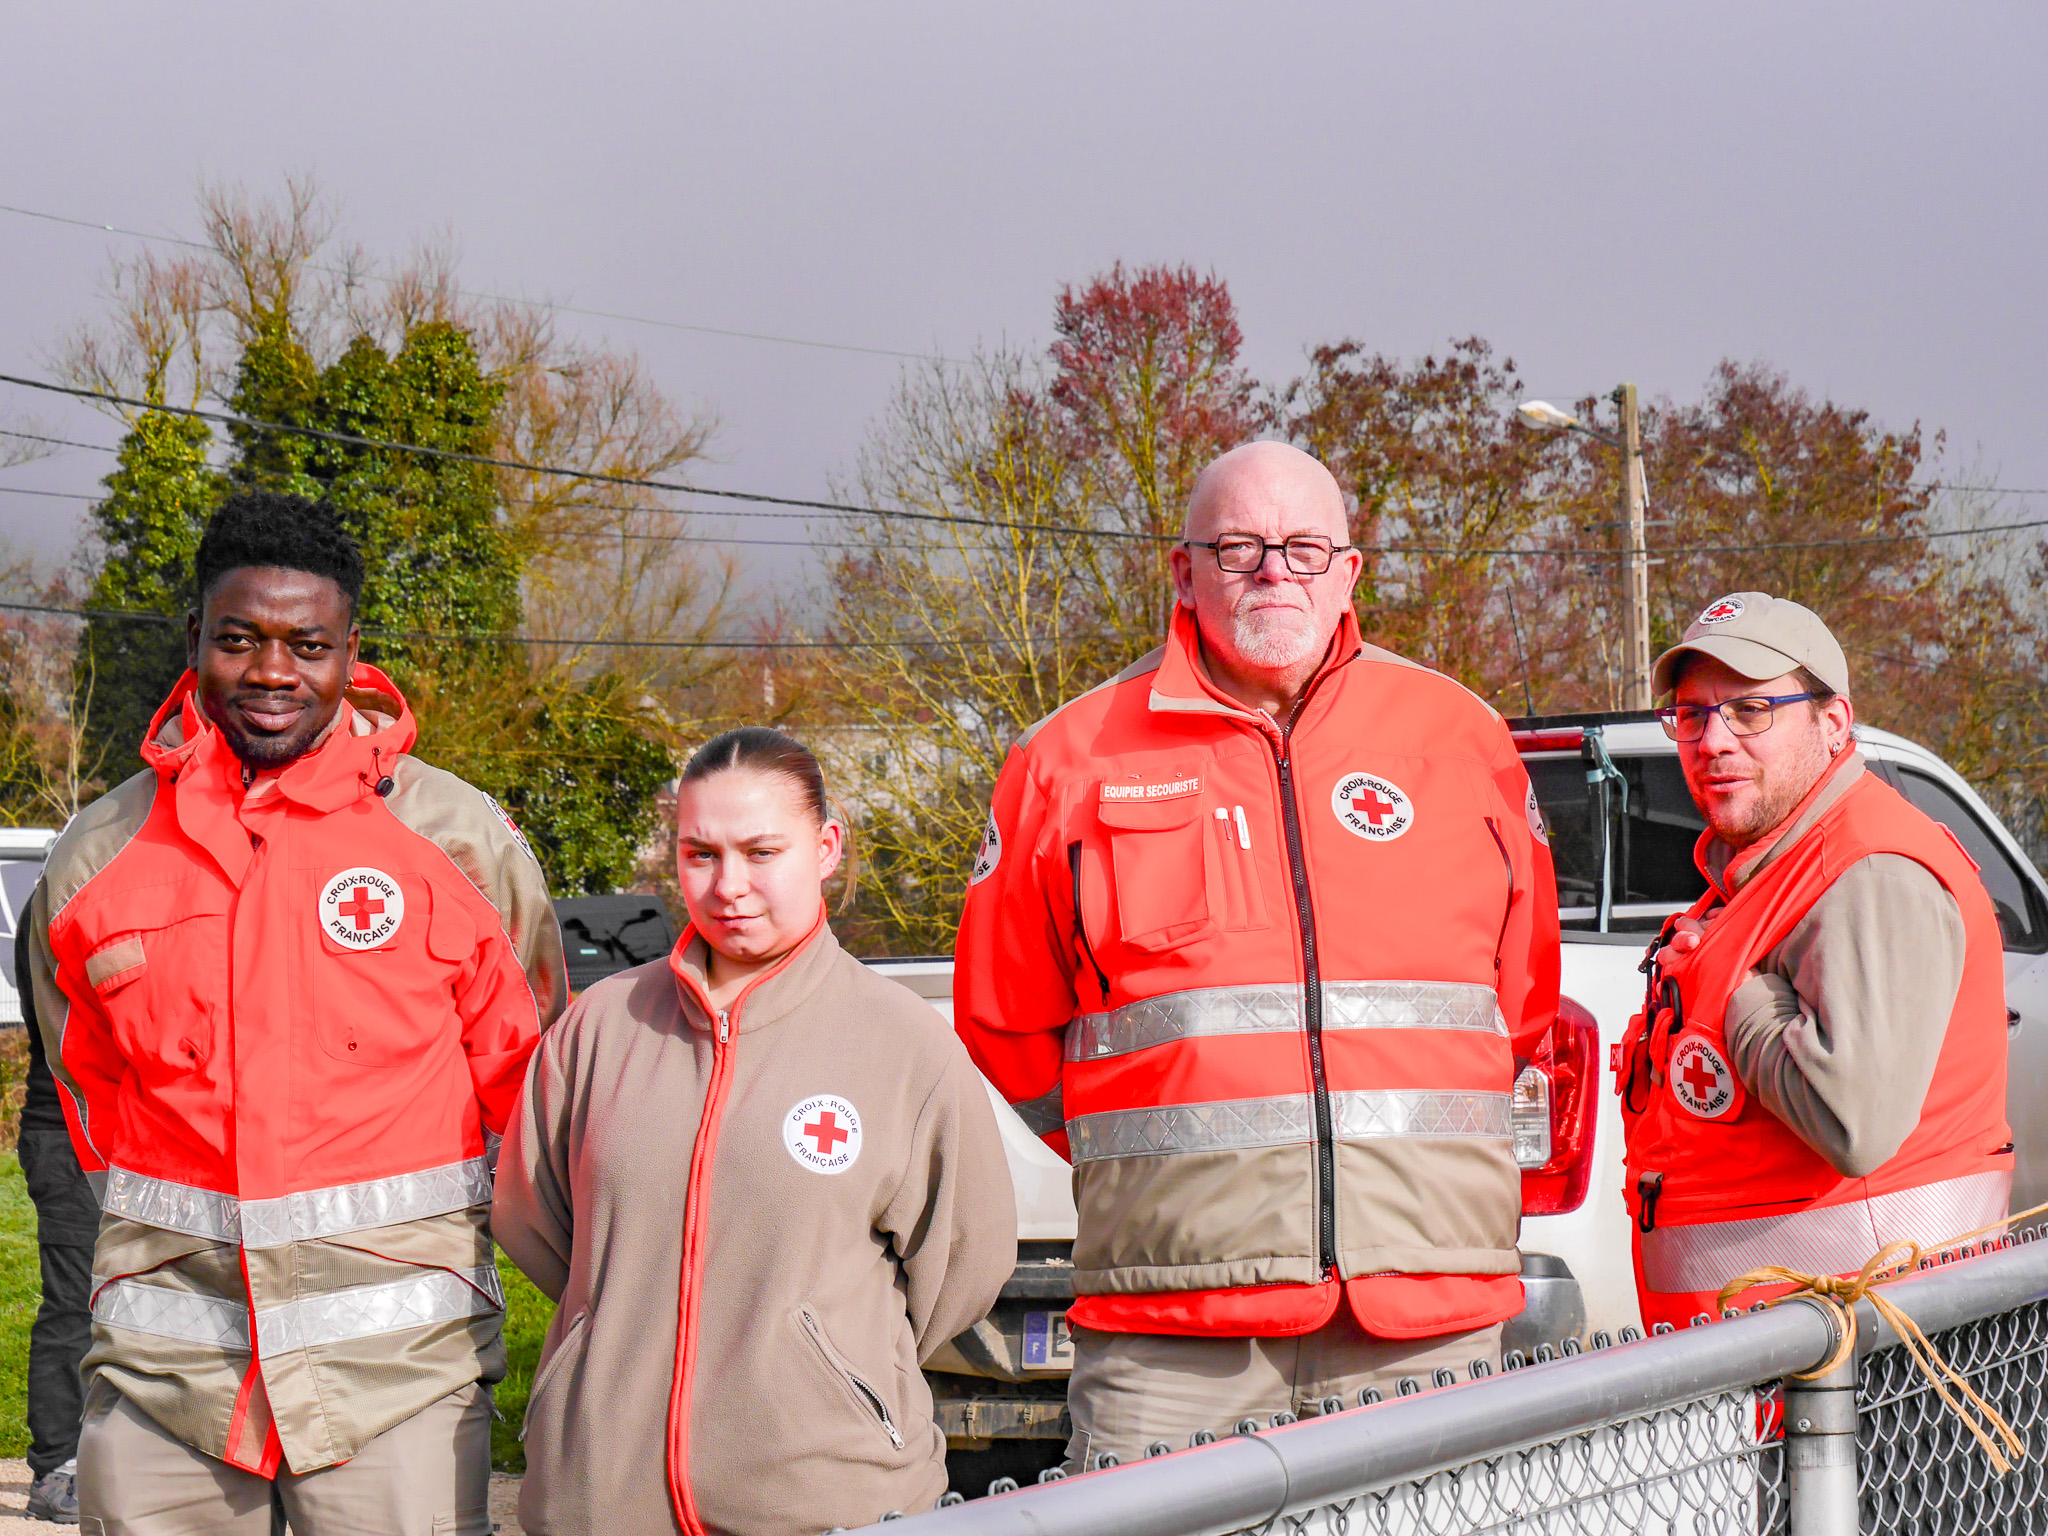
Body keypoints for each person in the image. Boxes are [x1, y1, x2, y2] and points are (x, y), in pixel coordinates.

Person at [955, 441, 1561, 1468]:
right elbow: (1006, 1022)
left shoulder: (1461, 740)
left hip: (1423, 1314)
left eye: (1301, 547)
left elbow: (1518, 1002)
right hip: (1170, 1336)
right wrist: (1168, 1171)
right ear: (1181, 571)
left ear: (1348, 572)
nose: (1274, 571)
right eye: (1237, 548)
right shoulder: (1064, 761)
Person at [24, 490, 566, 1535]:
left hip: (397, 1387)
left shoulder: (457, 843)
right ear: (194, 641)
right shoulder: (95, 859)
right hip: (167, 1384)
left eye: (306, 644)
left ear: (350, 651)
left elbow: (535, 1092)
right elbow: (93, 1109)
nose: (272, 672)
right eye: (239, 639)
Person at [494, 727, 1016, 1535]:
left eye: (761, 851)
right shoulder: (599, 1029)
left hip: (829, 1503)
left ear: (827, 846)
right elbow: (536, 1221)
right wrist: (611, 1326)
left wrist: (832, 1366)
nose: (729, 885)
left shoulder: (903, 1043)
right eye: (700, 853)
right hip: (601, 1498)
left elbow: (964, 1265)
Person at [1621, 592, 2012, 1331]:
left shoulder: (1869, 871)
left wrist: (1740, 998)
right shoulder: (1765, 871)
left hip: (1870, 1370)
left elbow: (1852, 1122)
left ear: (1833, 725)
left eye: (1750, 711)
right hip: (1782, 1355)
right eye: (1692, 715)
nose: (1713, 741)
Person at [15, 921, 93, 1525]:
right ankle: (58, 1467)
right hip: (67, 1135)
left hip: (138, 1133)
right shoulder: (59, 899)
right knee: (75, 1303)